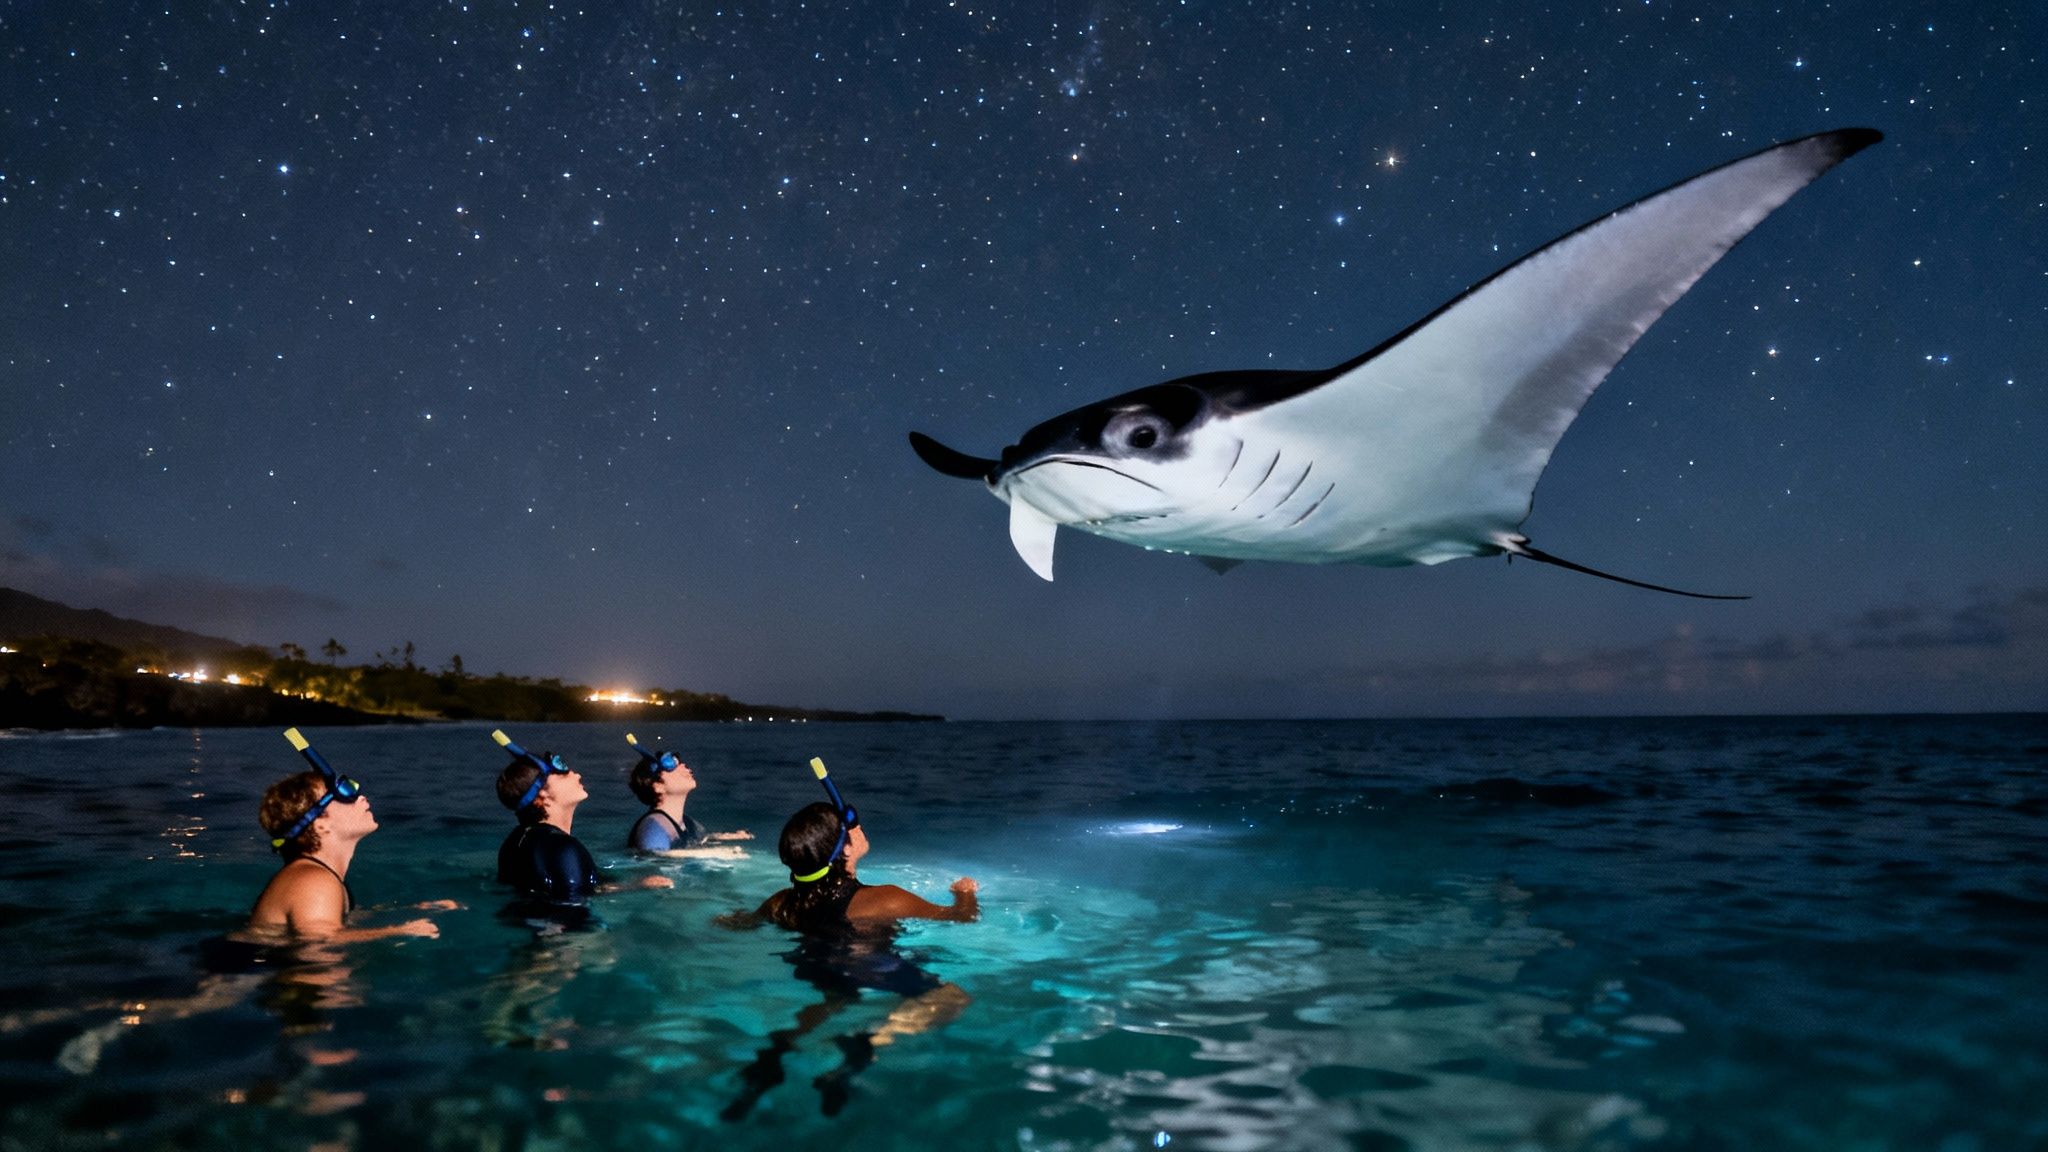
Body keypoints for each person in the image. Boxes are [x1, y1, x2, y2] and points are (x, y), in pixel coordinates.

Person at [722, 799, 977, 1119]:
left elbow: (742, 923)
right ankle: (869, 1042)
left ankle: (776, 1051)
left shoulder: (780, 903)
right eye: (849, 822)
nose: (856, 826)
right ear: (844, 849)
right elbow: (962, 918)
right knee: (953, 997)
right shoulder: (884, 900)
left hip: (813, 968)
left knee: (837, 997)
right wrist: (965, 893)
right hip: (869, 968)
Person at [249, 769, 442, 942]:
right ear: (320, 825)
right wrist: (399, 931)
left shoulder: (317, 877)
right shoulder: (314, 881)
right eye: (344, 793)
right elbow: (318, 943)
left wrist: (410, 911)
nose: (361, 797)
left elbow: (329, 925)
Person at [496, 749, 671, 924]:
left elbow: (554, 893)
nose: (576, 775)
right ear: (543, 795)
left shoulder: (514, 842)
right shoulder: (563, 847)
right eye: (563, 773)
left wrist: (633, 886)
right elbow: (573, 915)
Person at [625, 749, 754, 853]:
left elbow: (695, 840)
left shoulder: (688, 822)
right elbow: (651, 860)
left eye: (679, 761)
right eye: (670, 765)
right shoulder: (654, 827)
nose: (683, 766)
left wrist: (723, 837)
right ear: (658, 786)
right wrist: (713, 853)